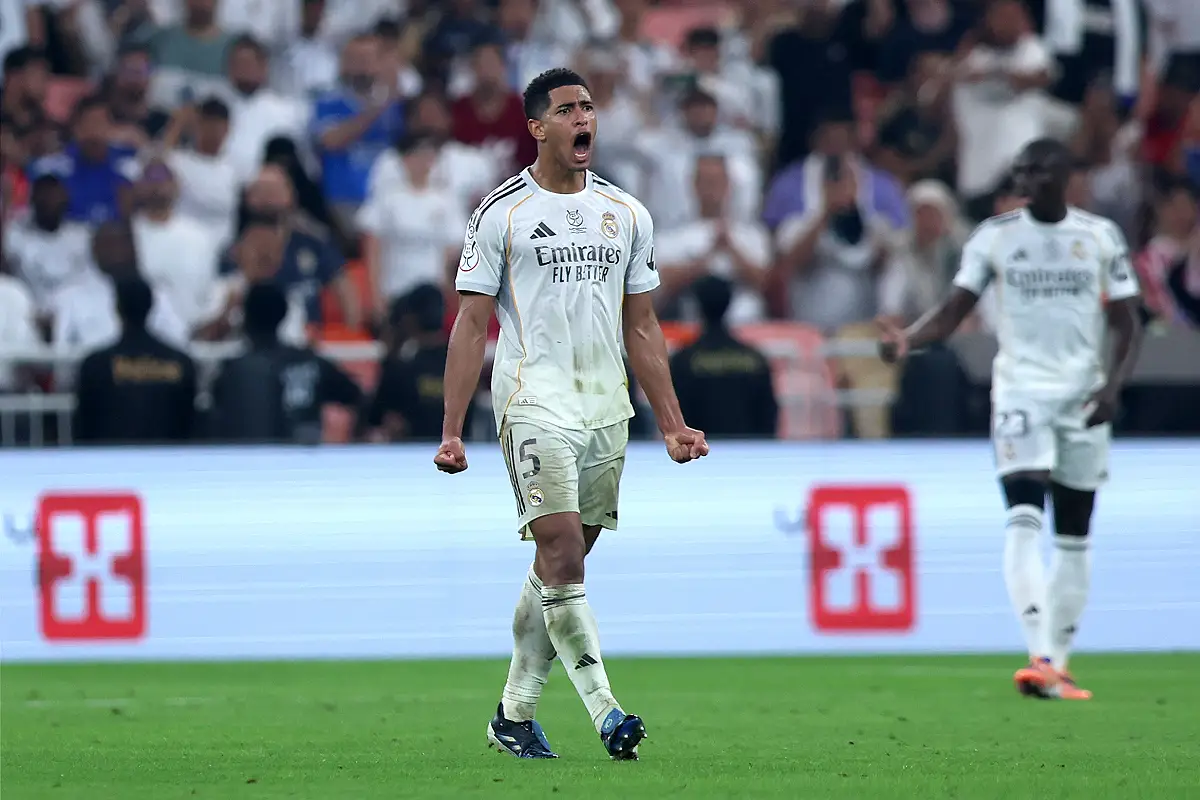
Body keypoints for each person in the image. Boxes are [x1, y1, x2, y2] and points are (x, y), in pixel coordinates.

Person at [434, 68, 709, 760]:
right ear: (536, 127)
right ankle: (608, 712)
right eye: (566, 109)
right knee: (561, 553)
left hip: (604, 408)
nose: (583, 117)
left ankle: (513, 717)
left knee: (560, 566)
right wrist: (451, 427)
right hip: (531, 399)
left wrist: (671, 421)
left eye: (588, 106)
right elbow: (470, 325)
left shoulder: (627, 214)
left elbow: (642, 327)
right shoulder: (501, 212)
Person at [877, 138, 1143, 700]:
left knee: (1074, 534)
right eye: (1022, 168)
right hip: (1021, 393)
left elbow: (1127, 321)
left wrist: (1114, 388)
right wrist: (908, 340)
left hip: (1084, 397)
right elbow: (954, 309)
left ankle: (1059, 664)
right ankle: (1039, 654)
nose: (1030, 176)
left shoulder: (1098, 236)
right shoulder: (996, 237)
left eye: (1041, 167)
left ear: (1067, 172)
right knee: (1024, 514)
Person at [209, 282, 361, 444]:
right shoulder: (311, 361)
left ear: (245, 318)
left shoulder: (232, 371)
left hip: (253, 462)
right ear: (284, 315)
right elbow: (357, 396)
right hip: (307, 463)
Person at [73, 278, 197, 444]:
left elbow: (83, 427)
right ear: (151, 306)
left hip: (111, 462)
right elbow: (190, 424)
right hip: (169, 462)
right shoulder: (181, 363)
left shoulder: (96, 365)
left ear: (117, 308)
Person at [669, 275, 778, 437]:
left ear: (698, 306)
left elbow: (678, 416)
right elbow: (768, 416)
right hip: (751, 453)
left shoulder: (683, 360)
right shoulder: (755, 358)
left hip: (700, 453)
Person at [367, 285, 467, 441]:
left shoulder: (400, 368)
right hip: (458, 453)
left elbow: (373, 418)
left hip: (408, 456)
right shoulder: (463, 365)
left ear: (410, 318)